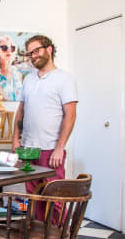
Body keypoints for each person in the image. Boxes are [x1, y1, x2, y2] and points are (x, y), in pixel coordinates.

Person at [12, 35, 77, 221]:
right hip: (28, 149)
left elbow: (70, 115)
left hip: (50, 149)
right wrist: (16, 139)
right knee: (33, 198)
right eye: (29, 53)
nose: (33, 56)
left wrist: (60, 147)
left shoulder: (64, 79)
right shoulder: (28, 80)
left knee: (54, 198)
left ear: (49, 49)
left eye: (36, 51)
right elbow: (21, 111)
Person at [0, 34, 23, 101]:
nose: (9, 51)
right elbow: (4, 100)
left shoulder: (18, 74)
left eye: (12, 48)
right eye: (4, 48)